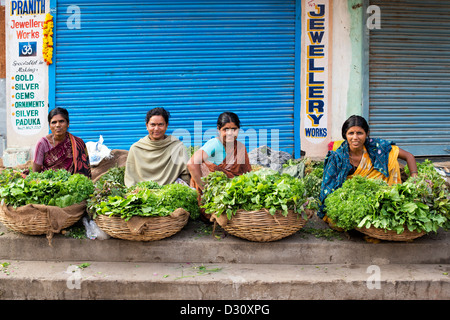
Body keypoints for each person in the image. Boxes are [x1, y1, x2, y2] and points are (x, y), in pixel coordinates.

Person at [318, 115, 418, 220]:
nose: (355, 137)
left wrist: (414, 177)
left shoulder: (377, 147)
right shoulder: (337, 157)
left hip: (382, 197)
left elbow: (409, 156)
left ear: (366, 134)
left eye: (360, 133)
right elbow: (329, 187)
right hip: (353, 200)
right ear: (345, 135)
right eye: (351, 133)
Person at [188, 112, 252, 221]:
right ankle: (215, 214)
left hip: (231, 191)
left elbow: (245, 174)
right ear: (218, 129)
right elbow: (192, 163)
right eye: (226, 129)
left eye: (234, 129)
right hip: (212, 193)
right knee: (204, 165)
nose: (230, 133)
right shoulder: (215, 144)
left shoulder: (240, 147)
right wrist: (205, 189)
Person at [124, 107, 190, 187]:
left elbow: (186, 175)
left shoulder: (177, 147)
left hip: (170, 194)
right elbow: (130, 178)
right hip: (142, 194)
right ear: (147, 126)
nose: (156, 129)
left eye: (160, 124)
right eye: (153, 125)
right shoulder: (136, 148)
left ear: (166, 126)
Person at [32, 107, 91, 178]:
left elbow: (85, 168)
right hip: (49, 184)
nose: (58, 125)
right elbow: (35, 172)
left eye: (61, 121)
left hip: (71, 185)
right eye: (54, 122)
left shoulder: (77, 142)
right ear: (50, 126)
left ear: (68, 123)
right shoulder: (42, 143)